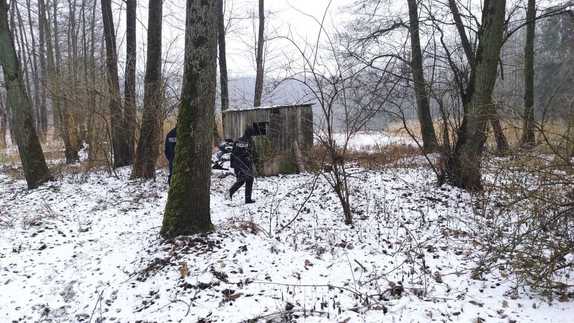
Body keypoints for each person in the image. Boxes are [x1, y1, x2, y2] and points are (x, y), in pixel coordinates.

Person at [227, 127, 257, 203]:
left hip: (242, 164)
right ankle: (229, 192)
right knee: (242, 180)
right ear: (250, 134)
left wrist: (233, 165)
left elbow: (233, 154)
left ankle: (248, 199)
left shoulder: (240, 140)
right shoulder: (246, 141)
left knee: (249, 179)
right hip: (242, 164)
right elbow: (252, 153)